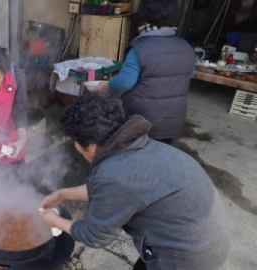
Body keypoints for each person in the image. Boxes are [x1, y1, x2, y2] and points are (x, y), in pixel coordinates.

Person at [38, 93, 230, 270]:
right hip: (204, 238)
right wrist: (63, 193)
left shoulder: (115, 174)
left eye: (75, 141)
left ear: (91, 144)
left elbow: (95, 236)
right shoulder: (137, 145)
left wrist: (54, 220)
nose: (76, 146)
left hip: (187, 258)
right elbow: (119, 190)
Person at [92, 0, 195, 145]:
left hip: (141, 121)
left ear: (144, 18)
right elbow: (189, 73)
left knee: (134, 157)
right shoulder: (186, 47)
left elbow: (124, 82)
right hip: (173, 121)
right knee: (158, 156)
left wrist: (106, 85)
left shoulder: (141, 47)